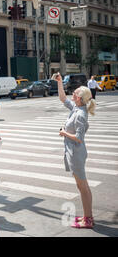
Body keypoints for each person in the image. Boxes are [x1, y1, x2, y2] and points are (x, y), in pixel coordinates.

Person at [55, 72, 96, 229]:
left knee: (83, 186)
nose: (73, 92)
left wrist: (64, 132)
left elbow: (79, 138)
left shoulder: (80, 114)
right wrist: (59, 82)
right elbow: (63, 98)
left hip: (77, 153)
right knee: (81, 186)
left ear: (79, 97)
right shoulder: (77, 107)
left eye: (76, 91)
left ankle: (88, 219)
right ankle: (87, 216)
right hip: (74, 152)